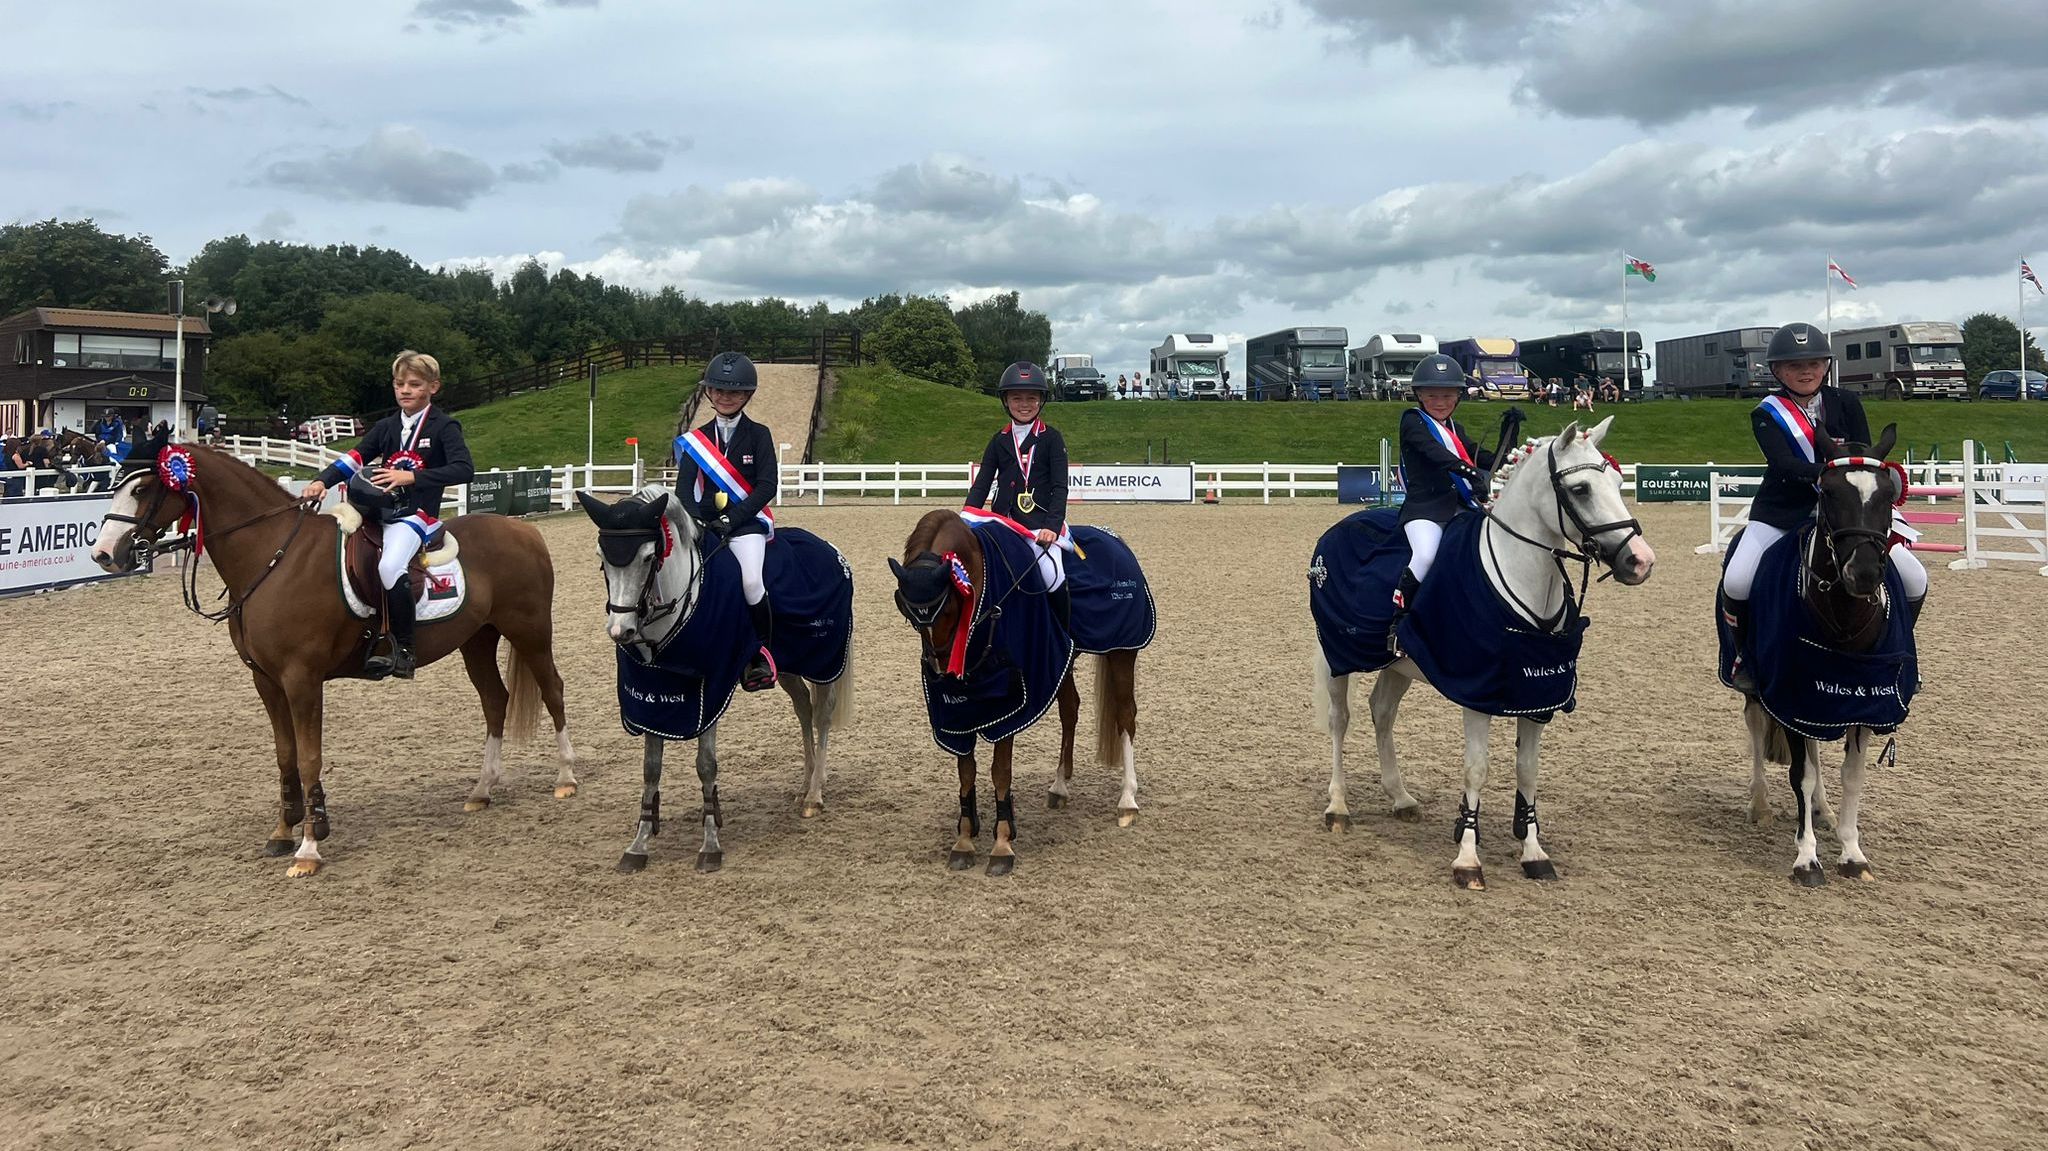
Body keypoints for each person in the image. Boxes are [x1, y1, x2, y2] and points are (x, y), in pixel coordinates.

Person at [1721, 322, 1928, 690]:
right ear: (1777, 372)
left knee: (1914, 577)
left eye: (1815, 363)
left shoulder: (1846, 402)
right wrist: (1829, 473)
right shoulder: (1767, 413)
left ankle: (1901, 652)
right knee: (1738, 579)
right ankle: (1745, 659)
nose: (1806, 371)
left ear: (1826, 366)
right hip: (1784, 510)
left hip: (1850, 510)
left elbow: (1863, 453)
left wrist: (1853, 482)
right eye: (1794, 366)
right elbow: (1783, 464)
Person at [299, 351, 474, 680]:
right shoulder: (387, 426)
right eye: (399, 384)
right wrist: (321, 481)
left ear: (433, 387)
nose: (405, 390)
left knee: (390, 566)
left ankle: (404, 648)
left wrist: (413, 477)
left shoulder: (444, 426)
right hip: (376, 511)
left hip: (416, 515)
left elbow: (464, 469)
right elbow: (355, 457)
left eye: (414, 384)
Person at [1389, 354, 1520, 653]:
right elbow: (1434, 453)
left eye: (1447, 395)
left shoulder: (1455, 430)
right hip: (1425, 511)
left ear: (1458, 397)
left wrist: (1509, 435)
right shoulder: (1412, 421)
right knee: (1425, 556)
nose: (1440, 401)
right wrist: (1468, 471)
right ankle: (1399, 624)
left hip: (1461, 508)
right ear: (1419, 395)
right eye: (1432, 395)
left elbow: (1487, 460)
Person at [673, 351, 781, 692]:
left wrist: (732, 519)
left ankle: (759, 652)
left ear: (747, 395)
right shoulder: (696, 441)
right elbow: (683, 491)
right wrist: (695, 522)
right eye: (718, 390)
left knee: (750, 582)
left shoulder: (759, 435)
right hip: (705, 525)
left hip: (745, 526)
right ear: (709, 392)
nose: (724, 397)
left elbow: (767, 485)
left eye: (733, 392)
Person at [964, 361, 1072, 631]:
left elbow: (1060, 487)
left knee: (1052, 576)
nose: (1024, 404)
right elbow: (982, 484)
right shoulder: (998, 440)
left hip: (1040, 528)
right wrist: (964, 519)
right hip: (1004, 526)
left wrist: (1052, 526)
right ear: (1006, 401)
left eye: (1031, 398)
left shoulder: (1052, 439)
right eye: (1016, 398)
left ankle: (1062, 636)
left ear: (1041, 401)